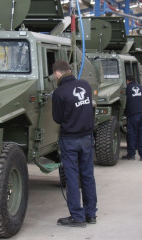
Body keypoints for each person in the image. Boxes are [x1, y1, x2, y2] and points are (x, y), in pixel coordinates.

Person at [51, 60, 97, 228]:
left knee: (71, 177)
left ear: (57, 74)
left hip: (69, 139)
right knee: (88, 175)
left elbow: (57, 118)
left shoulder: (59, 93)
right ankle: (90, 214)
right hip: (86, 137)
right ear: (70, 71)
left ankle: (77, 217)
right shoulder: (85, 85)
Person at [122, 75, 142, 161]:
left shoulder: (127, 88)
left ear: (128, 81)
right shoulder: (140, 86)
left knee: (132, 135)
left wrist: (124, 112)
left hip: (133, 115)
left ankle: (131, 154)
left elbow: (125, 101)